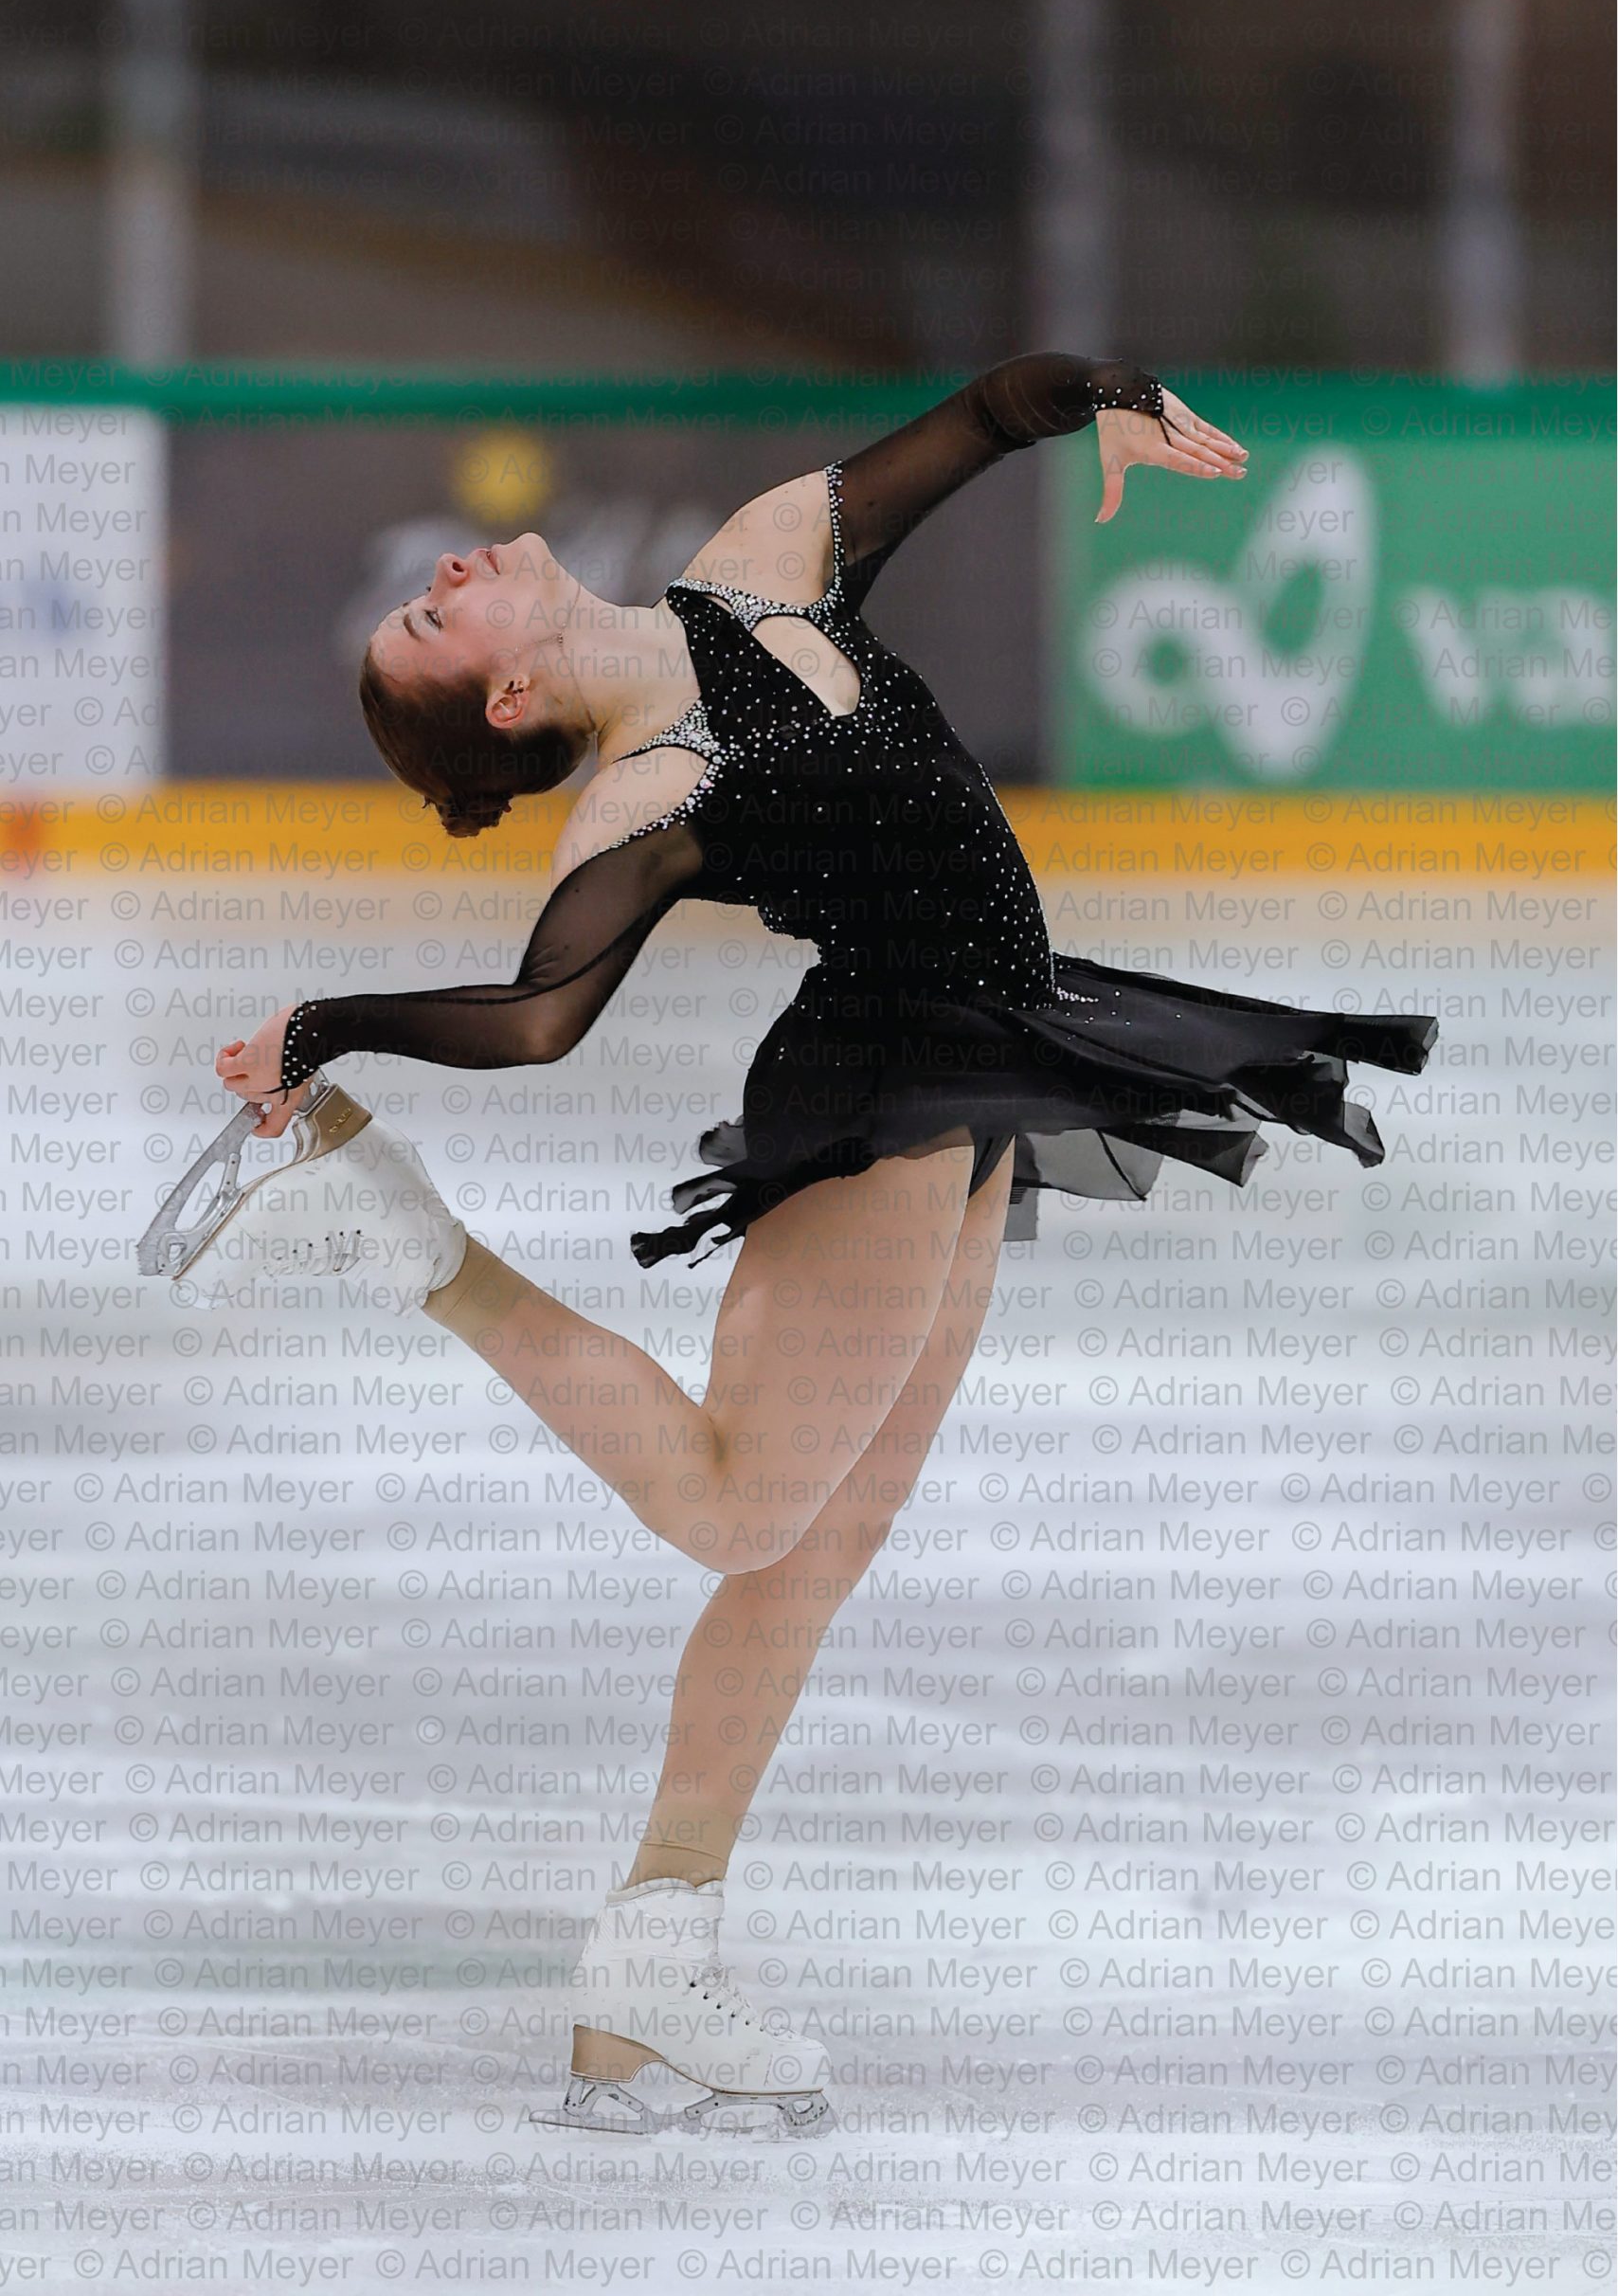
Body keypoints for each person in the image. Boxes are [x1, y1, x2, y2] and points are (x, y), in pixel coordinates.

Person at [198, 354, 1438, 2133]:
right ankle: (405, 1243)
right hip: (887, 1082)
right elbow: (544, 1015)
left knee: (813, 1548)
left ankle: (651, 1960)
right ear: (515, 692)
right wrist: (327, 1026)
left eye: (436, 581)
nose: (452, 572)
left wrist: (1104, 399)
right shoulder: (644, 788)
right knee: (739, 1507)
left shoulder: (755, 567)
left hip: (1000, 1054)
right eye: (431, 613)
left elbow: (979, 420)